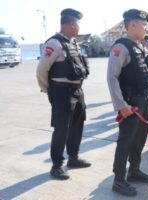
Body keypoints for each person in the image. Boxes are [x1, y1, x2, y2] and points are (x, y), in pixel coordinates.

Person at [36, 8, 91, 180]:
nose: (78, 28)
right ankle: (57, 165)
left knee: (77, 126)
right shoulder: (54, 43)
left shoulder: (73, 43)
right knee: (61, 129)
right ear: (69, 24)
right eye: (76, 24)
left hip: (77, 91)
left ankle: (73, 158)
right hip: (61, 93)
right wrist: (49, 89)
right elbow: (41, 70)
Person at [106, 9, 148, 197]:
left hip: (145, 102)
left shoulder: (140, 46)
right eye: (143, 25)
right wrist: (121, 105)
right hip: (130, 104)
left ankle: (134, 170)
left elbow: (147, 76)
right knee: (125, 141)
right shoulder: (121, 47)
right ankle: (118, 180)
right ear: (132, 25)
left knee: (140, 139)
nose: (146, 28)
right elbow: (112, 78)